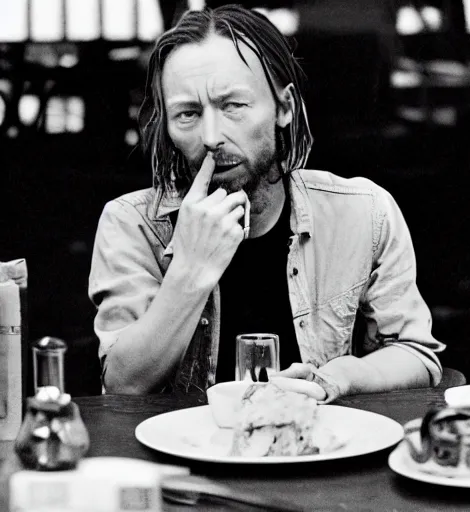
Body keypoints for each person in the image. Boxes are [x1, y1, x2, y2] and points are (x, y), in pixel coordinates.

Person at [88, 4, 445, 400]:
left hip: (314, 453)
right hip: (181, 455)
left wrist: (337, 377)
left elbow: (416, 355)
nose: (211, 136)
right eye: (187, 114)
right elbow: (122, 385)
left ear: (284, 107)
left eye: (233, 106)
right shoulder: (131, 224)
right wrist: (190, 271)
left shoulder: (362, 212)